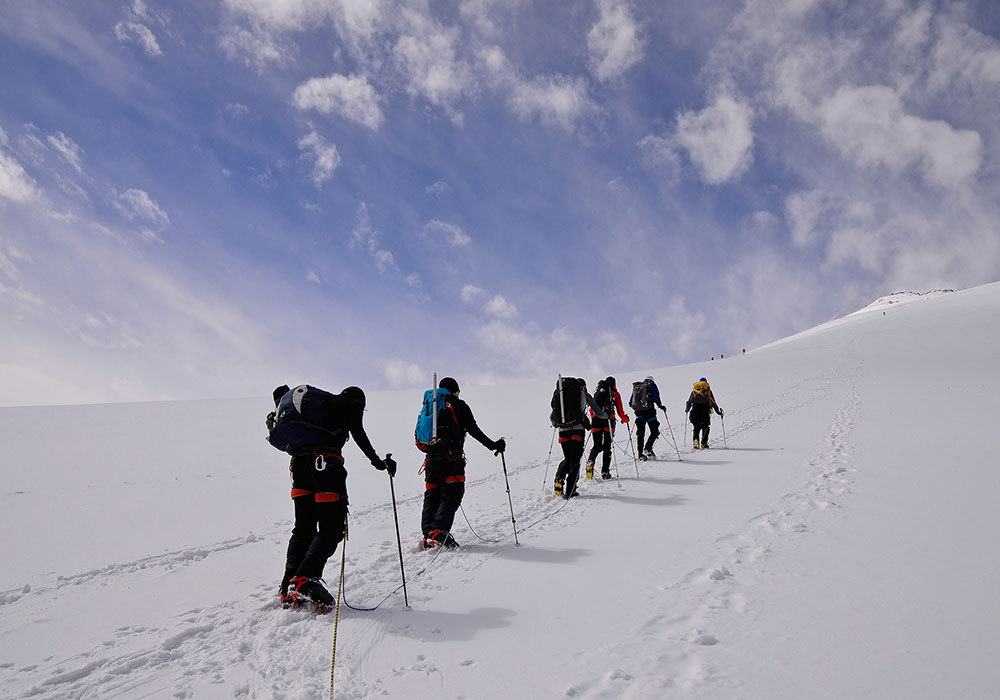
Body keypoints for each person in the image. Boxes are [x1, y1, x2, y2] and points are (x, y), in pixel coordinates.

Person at [271, 384, 396, 610]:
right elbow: (358, 432)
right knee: (332, 527)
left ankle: (288, 589)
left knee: (304, 529)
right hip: (326, 465)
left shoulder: (320, 408)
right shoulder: (350, 402)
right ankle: (305, 580)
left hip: (299, 466)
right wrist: (379, 463)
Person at [420, 377, 505, 549]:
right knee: (452, 493)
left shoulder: (430, 406)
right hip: (452, 459)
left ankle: (428, 533)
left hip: (431, 459)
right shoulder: (459, 405)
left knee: (432, 495)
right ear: (454, 391)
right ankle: (439, 531)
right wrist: (494, 445)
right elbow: (473, 430)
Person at [550, 377, 603, 498]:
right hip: (578, 430)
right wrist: (606, 417)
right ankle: (571, 490)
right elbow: (598, 412)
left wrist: (560, 423)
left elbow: (552, 417)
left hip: (563, 431)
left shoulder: (561, 395)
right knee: (575, 461)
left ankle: (559, 479)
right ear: (583, 386)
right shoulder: (583, 394)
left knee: (568, 459)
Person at [585, 376, 629, 480]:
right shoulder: (615, 394)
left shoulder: (598, 392)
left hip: (596, 420)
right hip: (609, 421)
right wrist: (625, 419)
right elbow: (620, 411)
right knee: (607, 448)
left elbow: (592, 409)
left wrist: (595, 417)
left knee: (597, 445)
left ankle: (591, 461)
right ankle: (605, 472)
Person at [629, 376, 665, 460]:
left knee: (641, 433)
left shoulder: (637, 386)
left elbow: (630, 402)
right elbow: (656, 396)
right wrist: (660, 406)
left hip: (639, 414)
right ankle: (648, 448)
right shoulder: (651, 384)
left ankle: (640, 454)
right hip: (649, 412)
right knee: (655, 431)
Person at [685, 377, 723, 449]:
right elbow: (713, 402)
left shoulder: (694, 391)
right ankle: (704, 444)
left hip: (695, 411)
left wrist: (687, 409)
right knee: (705, 427)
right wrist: (718, 412)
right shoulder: (707, 391)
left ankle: (695, 443)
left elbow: (689, 401)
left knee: (696, 427)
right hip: (705, 411)